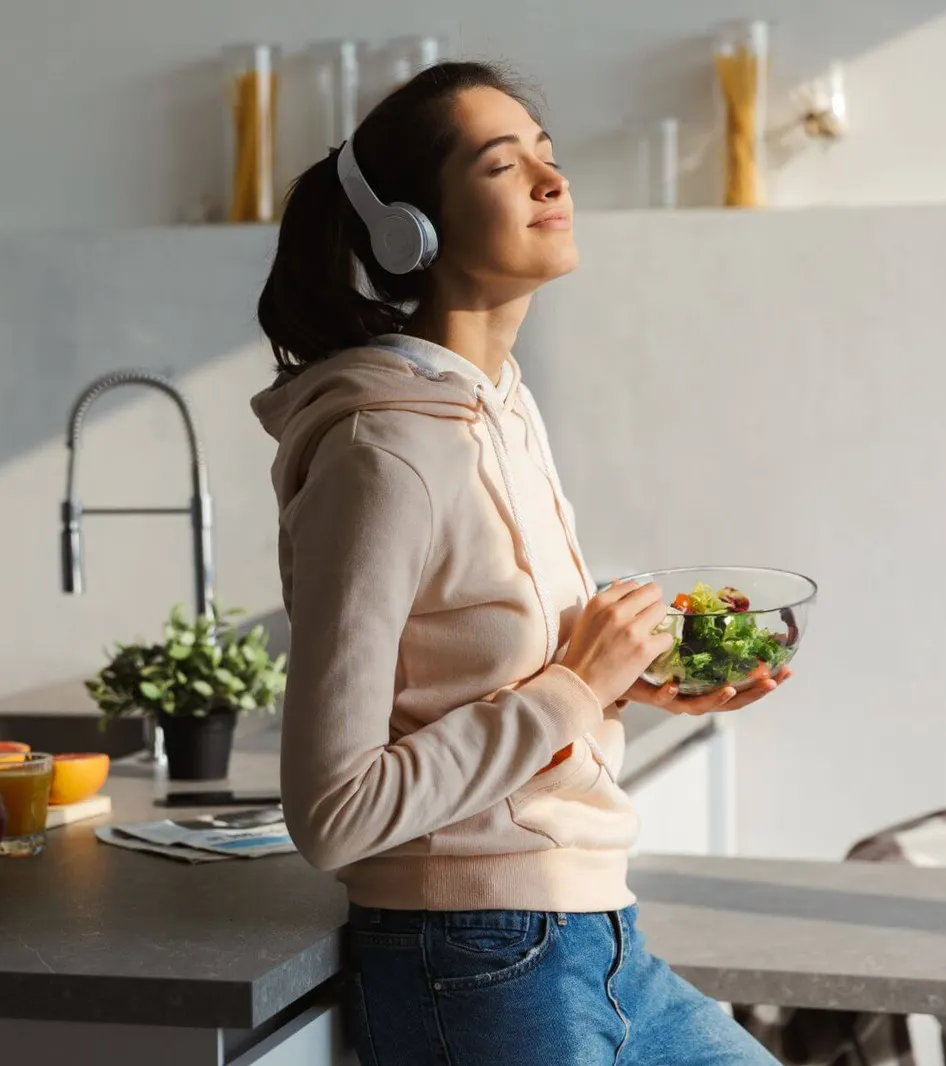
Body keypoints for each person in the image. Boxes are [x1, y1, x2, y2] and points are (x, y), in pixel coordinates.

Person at [250, 60, 792, 1066]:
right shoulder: (384, 451)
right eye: (505, 166)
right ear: (410, 228)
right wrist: (575, 687)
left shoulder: (497, 407)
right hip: (474, 956)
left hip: (599, 937)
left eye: (550, 158)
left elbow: (490, 667)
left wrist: (634, 680)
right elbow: (333, 813)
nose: (553, 182)